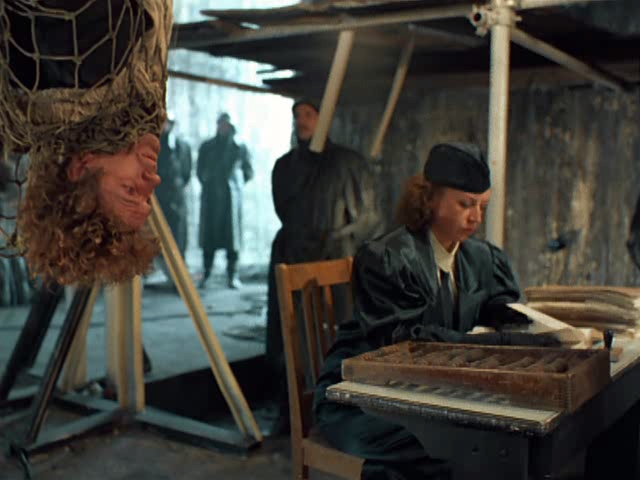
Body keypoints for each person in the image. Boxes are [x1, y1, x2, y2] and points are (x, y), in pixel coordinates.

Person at [312, 142, 558, 480]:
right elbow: (406, 343)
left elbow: (498, 304)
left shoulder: (481, 258)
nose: (476, 218)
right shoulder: (388, 258)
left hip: (424, 392)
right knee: (446, 447)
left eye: (482, 206)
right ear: (429, 199)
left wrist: (520, 321)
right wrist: (496, 343)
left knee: (499, 439)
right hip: (359, 396)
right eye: (465, 204)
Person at [0, 0, 172, 286]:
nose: (154, 180)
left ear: (81, 167)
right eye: (147, 198)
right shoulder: (54, 101)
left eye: (130, 190)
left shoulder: (89, 62)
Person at [265, 98, 381, 432]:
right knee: (288, 334)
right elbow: (284, 211)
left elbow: (369, 217)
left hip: (333, 260)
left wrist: (340, 243)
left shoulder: (348, 163)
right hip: (291, 255)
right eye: (297, 115)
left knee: (334, 334)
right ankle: (289, 411)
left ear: (323, 118)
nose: (301, 121)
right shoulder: (284, 166)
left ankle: (337, 412)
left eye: (309, 114)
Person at [197, 113, 253, 289]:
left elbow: (248, 172)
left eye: (226, 125)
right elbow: (199, 170)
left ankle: (232, 275)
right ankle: (206, 273)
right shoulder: (207, 147)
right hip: (212, 198)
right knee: (209, 240)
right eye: (221, 124)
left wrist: (236, 185)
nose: (223, 128)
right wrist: (209, 181)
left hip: (231, 200)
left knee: (232, 241)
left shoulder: (240, 148)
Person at [155, 114, 192, 269]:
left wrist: (177, 186)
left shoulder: (182, 146)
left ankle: (179, 267)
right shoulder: (152, 146)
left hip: (177, 197)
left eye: (167, 122)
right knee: (157, 232)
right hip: (158, 196)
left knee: (179, 233)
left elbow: (186, 172)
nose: (164, 126)